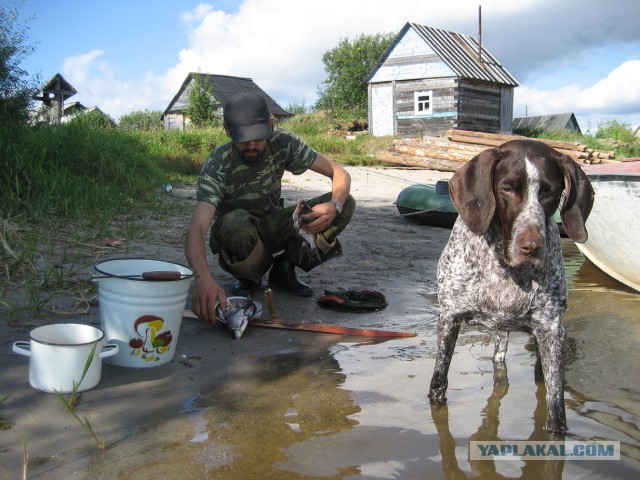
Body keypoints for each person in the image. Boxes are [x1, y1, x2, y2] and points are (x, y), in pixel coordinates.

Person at [185, 91, 355, 324]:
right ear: (227, 130)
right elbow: (196, 229)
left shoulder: (283, 143)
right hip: (239, 233)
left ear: (271, 125)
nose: (252, 145)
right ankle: (250, 277)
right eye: (243, 138)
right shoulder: (218, 163)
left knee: (346, 203)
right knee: (235, 222)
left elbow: (339, 172)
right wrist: (202, 278)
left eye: (258, 136)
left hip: (274, 224)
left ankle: (284, 268)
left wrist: (334, 206)